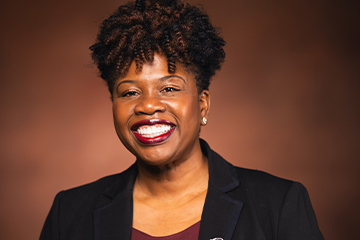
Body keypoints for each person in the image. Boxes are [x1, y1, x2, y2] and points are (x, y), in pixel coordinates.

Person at [40, 0, 324, 239]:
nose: (148, 105)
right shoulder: (69, 213)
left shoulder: (278, 204)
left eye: (169, 88)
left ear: (202, 104)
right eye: (130, 92)